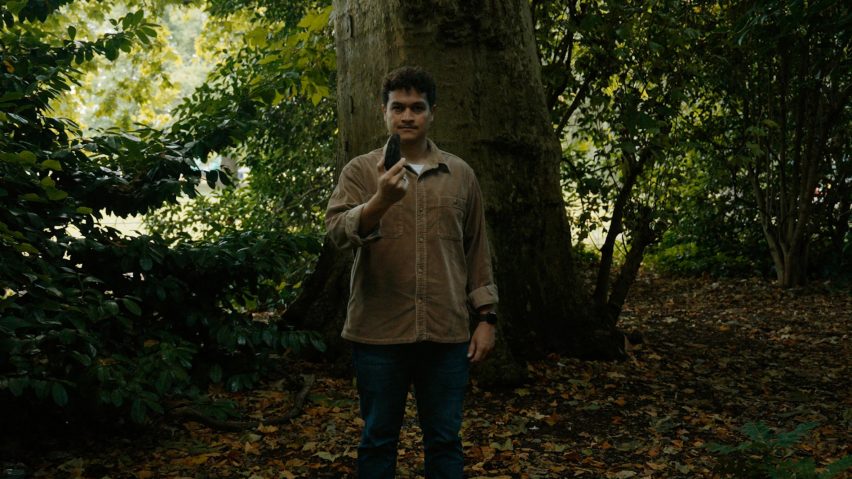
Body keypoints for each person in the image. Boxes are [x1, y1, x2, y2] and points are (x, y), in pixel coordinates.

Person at [325, 65, 499, 478]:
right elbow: (337, 233)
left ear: (431, 113)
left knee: (444, 442)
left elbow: (477, 248)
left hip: (446, 334)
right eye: (398, 107)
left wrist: (487, 317)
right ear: (383, 112)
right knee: (377, 441)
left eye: (417, 107)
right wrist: (379, 201)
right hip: (378, 334)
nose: (407, 116)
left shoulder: (461, 175)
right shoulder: (360, 171)